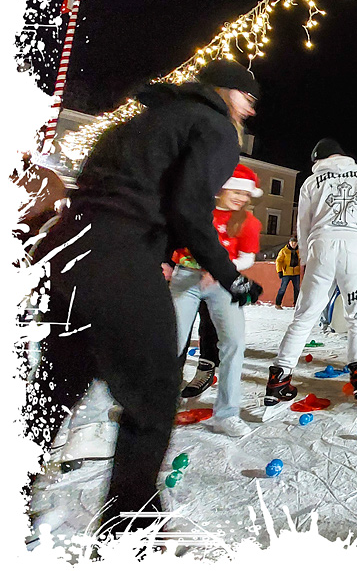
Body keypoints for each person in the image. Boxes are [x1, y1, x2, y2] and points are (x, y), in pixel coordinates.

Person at [26, 59, 263, 536]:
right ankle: (129, 531)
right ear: (223, 92)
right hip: (119, 258)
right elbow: (189, 206)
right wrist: (230, 275)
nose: (248, 111)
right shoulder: (214, 126)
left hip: (64, 259)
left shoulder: (139, 122)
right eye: (246, 98)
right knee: (154, 396)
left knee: (54, 391)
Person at [267, 138, 357, 407]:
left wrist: (305, 259)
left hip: (321, 247)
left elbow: (303, 224)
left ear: (318, 160)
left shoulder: (312, 183)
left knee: (304, 316)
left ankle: (279, 377)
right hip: (355, 251)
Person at [170, 163, 263, 437]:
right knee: (171, 341)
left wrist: (221, 268)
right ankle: (158, 403)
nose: (240, 198)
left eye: (245, 194)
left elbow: (248, 257)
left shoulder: (248, 221)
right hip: (185, 279)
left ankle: (227, 413)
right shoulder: (199, 211)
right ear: (221, 187)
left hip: (224, 285)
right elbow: (175, 241)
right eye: (235, 191)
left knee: (234, 343)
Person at [275, 236, 301, 308]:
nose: (293, 244)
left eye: (295, 243)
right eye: (292, 243)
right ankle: (278, 303)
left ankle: (296, 304)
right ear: (289, 243)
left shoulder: (299, 251)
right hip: (286, 273)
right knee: (282, 288)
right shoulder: (284, 251)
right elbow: (278, 261)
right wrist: (279, 271)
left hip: (296, 273)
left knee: (297, 289)